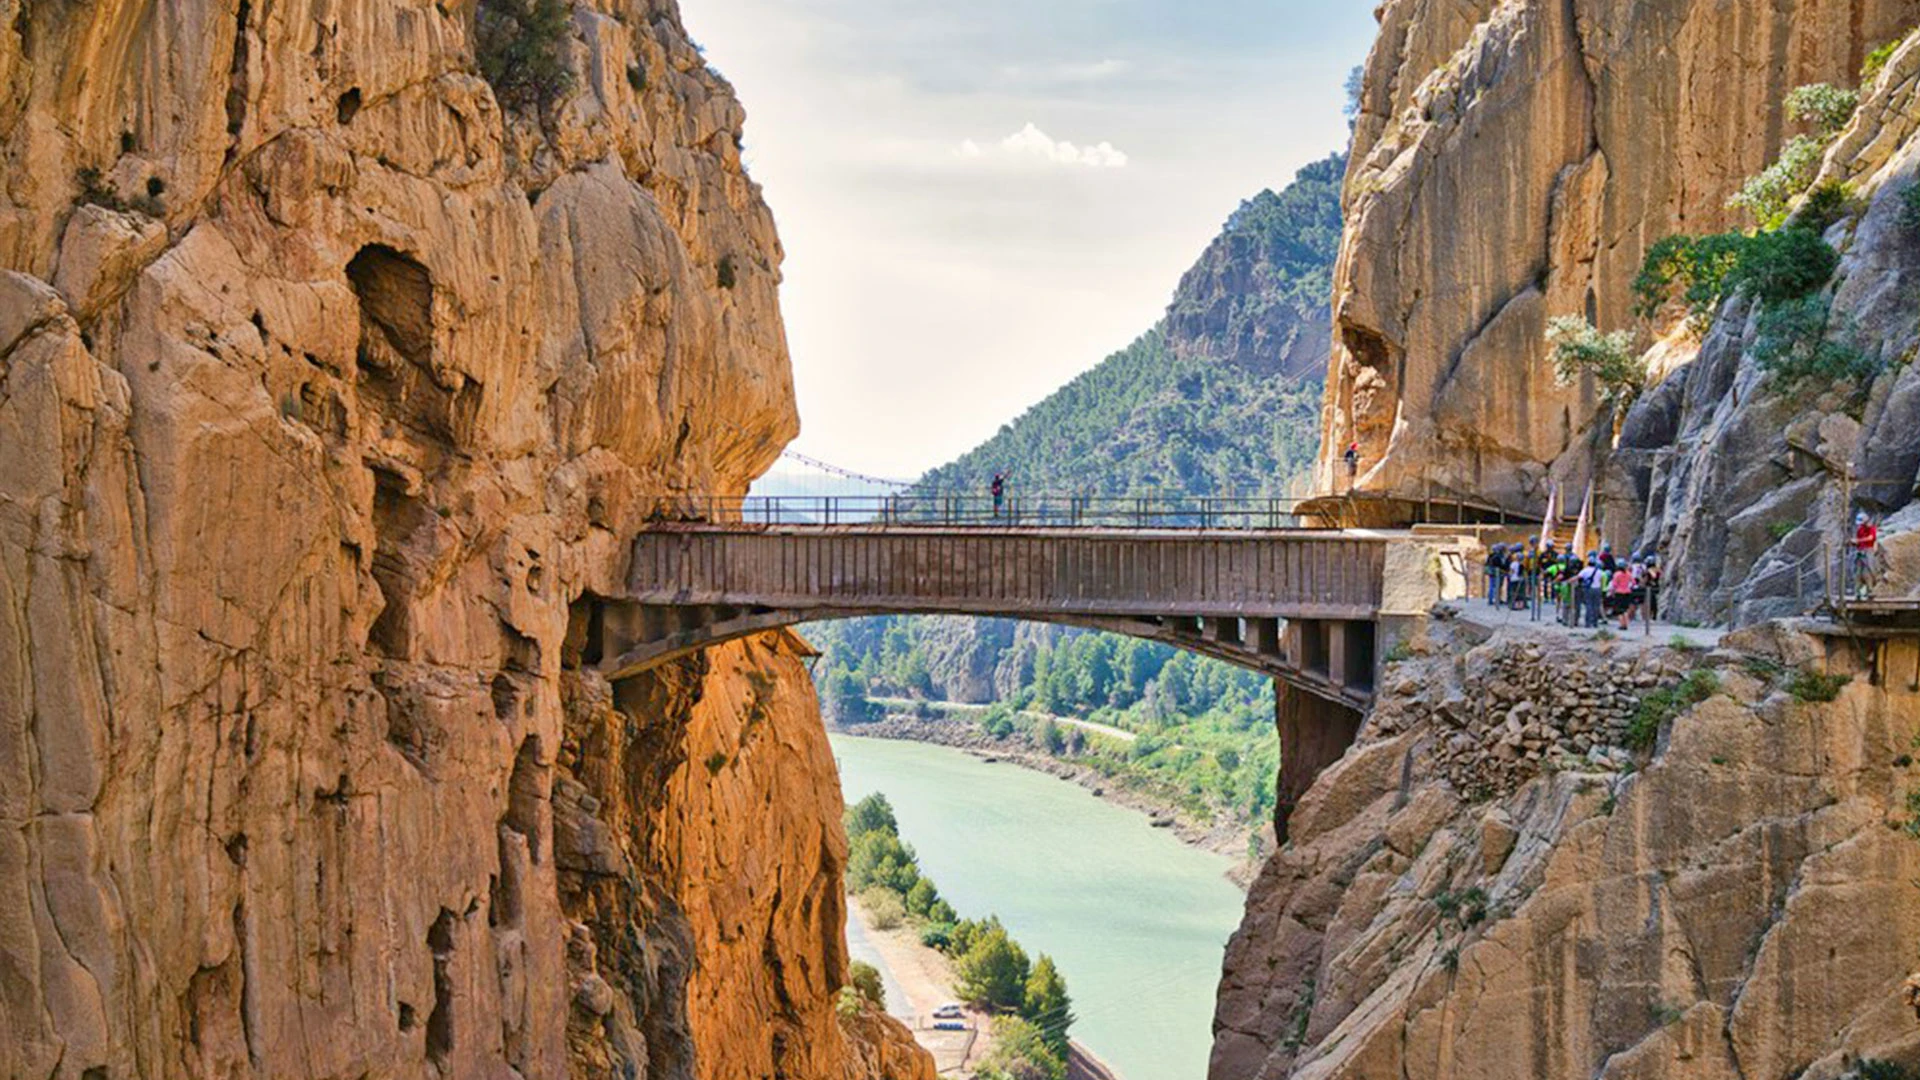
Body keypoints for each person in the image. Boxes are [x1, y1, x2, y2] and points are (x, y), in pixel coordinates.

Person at [1853, 511, 1879, 601]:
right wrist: (1853, 542)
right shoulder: (1860, 529)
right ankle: (1857, 593)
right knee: (1857, 573)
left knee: (1867, 573)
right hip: (1860, 552)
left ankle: (1870, 592)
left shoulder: (1871, 528)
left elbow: (1871, 538)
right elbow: (1858, 541)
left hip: (1868, 551)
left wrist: (1858, 540)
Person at [1610, 560, 1636, 630]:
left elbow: (1614, 585)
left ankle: (1621, 624)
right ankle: (1626, 624)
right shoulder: (1628, 573)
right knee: (1625, 609)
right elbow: (1633, 582)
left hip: (1619, 592)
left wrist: (1612, 592)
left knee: (1619, 610)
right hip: (1627, 592)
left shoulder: (1616, 574)